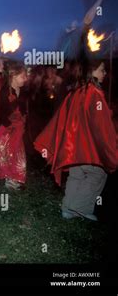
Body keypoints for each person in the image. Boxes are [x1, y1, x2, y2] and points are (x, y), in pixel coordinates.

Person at [34, 61, 117, 221]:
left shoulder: (77, 92)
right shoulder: (95, 94)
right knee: (98, 175)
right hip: (88, 147)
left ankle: (67, 208)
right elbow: (100, 125)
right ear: (92, 71)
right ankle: (80, 207)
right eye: (102, 70)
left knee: (76, 175)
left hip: (73, 147)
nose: (105, 73)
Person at [0, 63, 28, 190]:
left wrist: (23, 119)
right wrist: (9, 123)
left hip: (18, 129)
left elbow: (24, 109)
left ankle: (12, 180)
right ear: (13, 76)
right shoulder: (4, 92)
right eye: (23, 76)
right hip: (7, 128)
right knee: (1, 149)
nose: (25, 79)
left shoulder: (23, 92)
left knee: (16, 153)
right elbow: (1, 111)